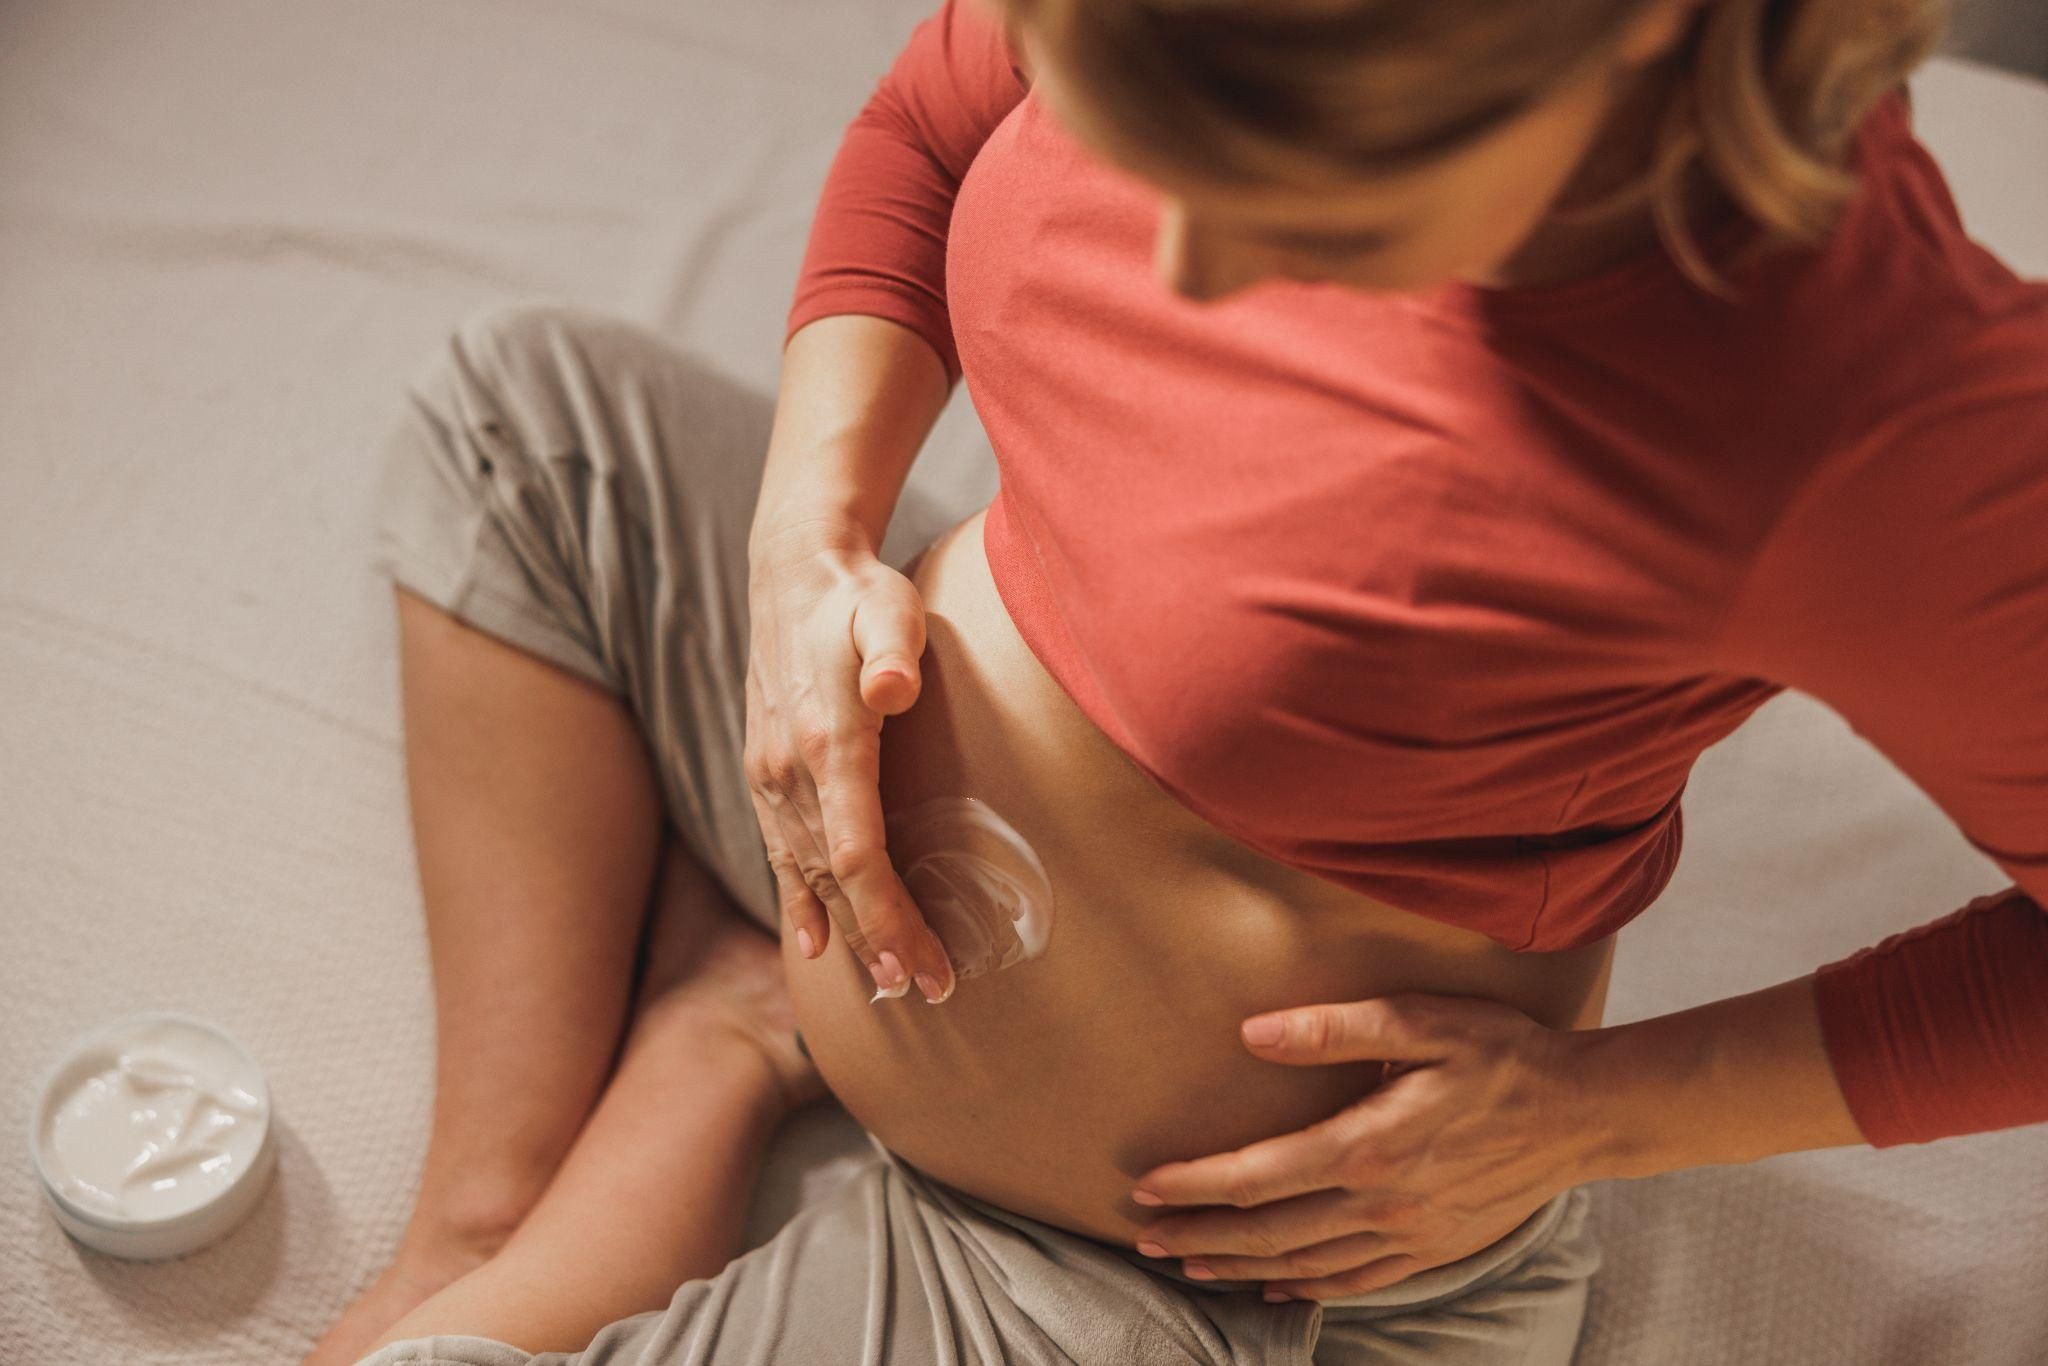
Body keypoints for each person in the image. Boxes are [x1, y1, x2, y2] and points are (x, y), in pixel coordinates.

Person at [307, 0, 2048, 1362]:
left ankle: (722, 1043)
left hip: (1199, 1270)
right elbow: (934, 114)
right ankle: (500, 1195)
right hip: (856, 846)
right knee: (515, 424)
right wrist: (808, 541)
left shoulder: (1863, 412)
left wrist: (1607, 1115)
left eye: (1304, 197)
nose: (1198, 274)